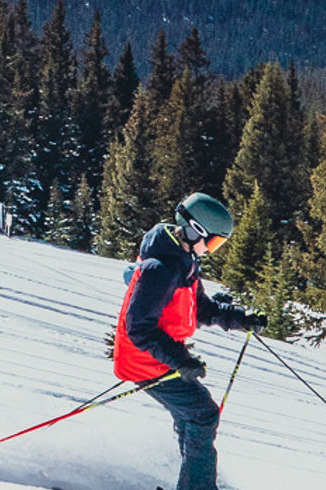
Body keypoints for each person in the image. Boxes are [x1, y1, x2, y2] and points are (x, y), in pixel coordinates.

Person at [113, 192, 266, 490]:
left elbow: (201, 309)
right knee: (203, 414)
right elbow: (138, 328)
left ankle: (192, 481)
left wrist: (241, 317)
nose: (213, 249)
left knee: (193, 415)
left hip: (159, 356)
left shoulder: (183, 262)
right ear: (196, 230)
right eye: (214, 242)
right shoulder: (161, 269)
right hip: (145, 359)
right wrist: (181, 360)